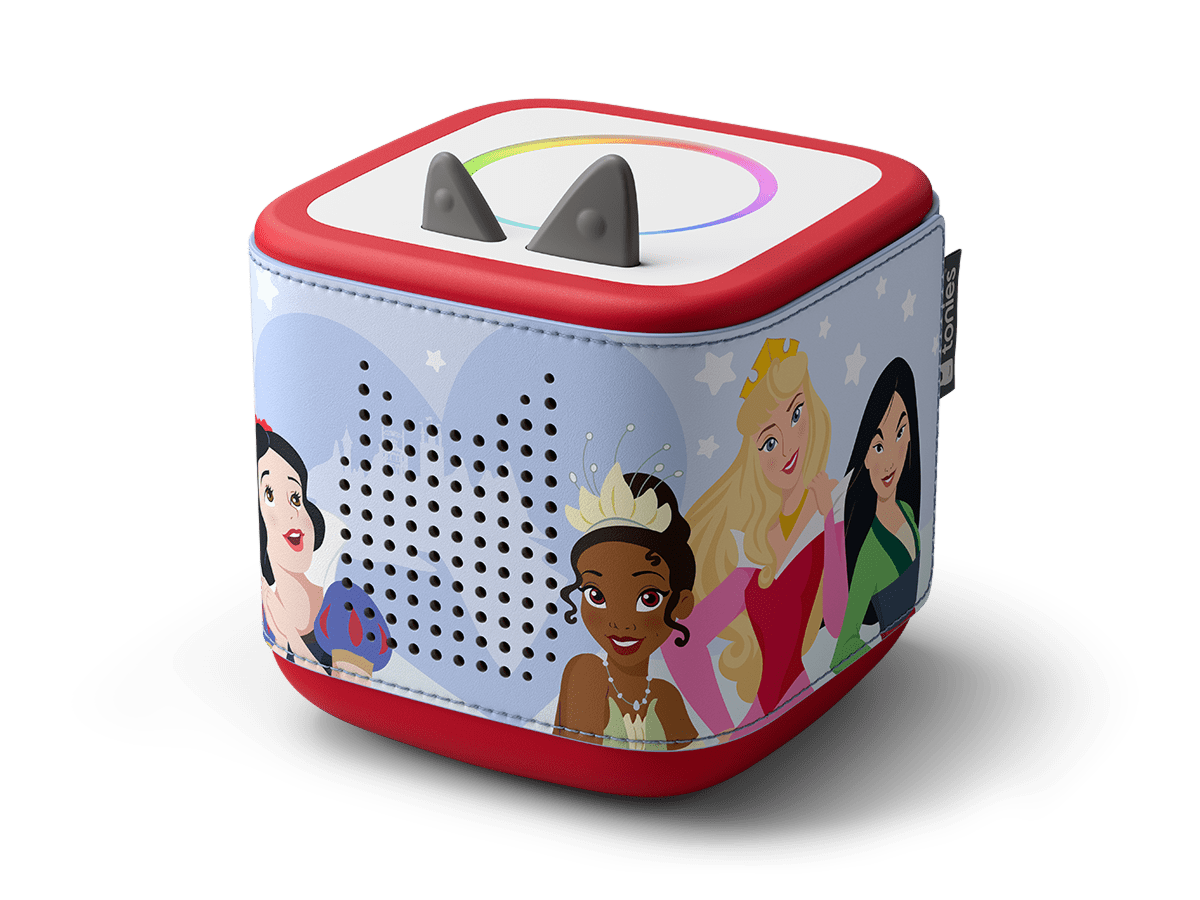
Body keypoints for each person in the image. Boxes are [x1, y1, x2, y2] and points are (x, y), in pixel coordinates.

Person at [661, 338, 848, 739]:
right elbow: (679, 642)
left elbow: (836, 620)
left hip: (798, 697)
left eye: (797, 414)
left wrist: (829, 516)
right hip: (765, 715)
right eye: (769, 442)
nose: (788, 447)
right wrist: (721, 731)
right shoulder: (753, 552)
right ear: (753, 455)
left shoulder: (825, 514)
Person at [554, 466, 699, 750]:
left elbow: (690, 761)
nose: (620, 623)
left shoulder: (666, 697)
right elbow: (580, 761)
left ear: (682, 604)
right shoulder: (587, 673)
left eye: (648, 598)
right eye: (596, 595)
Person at [256, 419, 392, 678]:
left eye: (296, 497)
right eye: (270, 496)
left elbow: (357, 684)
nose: (292, 514)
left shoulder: (344, 605)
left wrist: (291, 636)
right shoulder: (270, 608)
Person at [831, 357, 921, 673]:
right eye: (878, 446)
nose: (890, 460)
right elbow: (842, 650)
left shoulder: (907, 511)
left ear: (910, 436)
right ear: (866, 456)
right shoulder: (870, 553)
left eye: (900, 432)